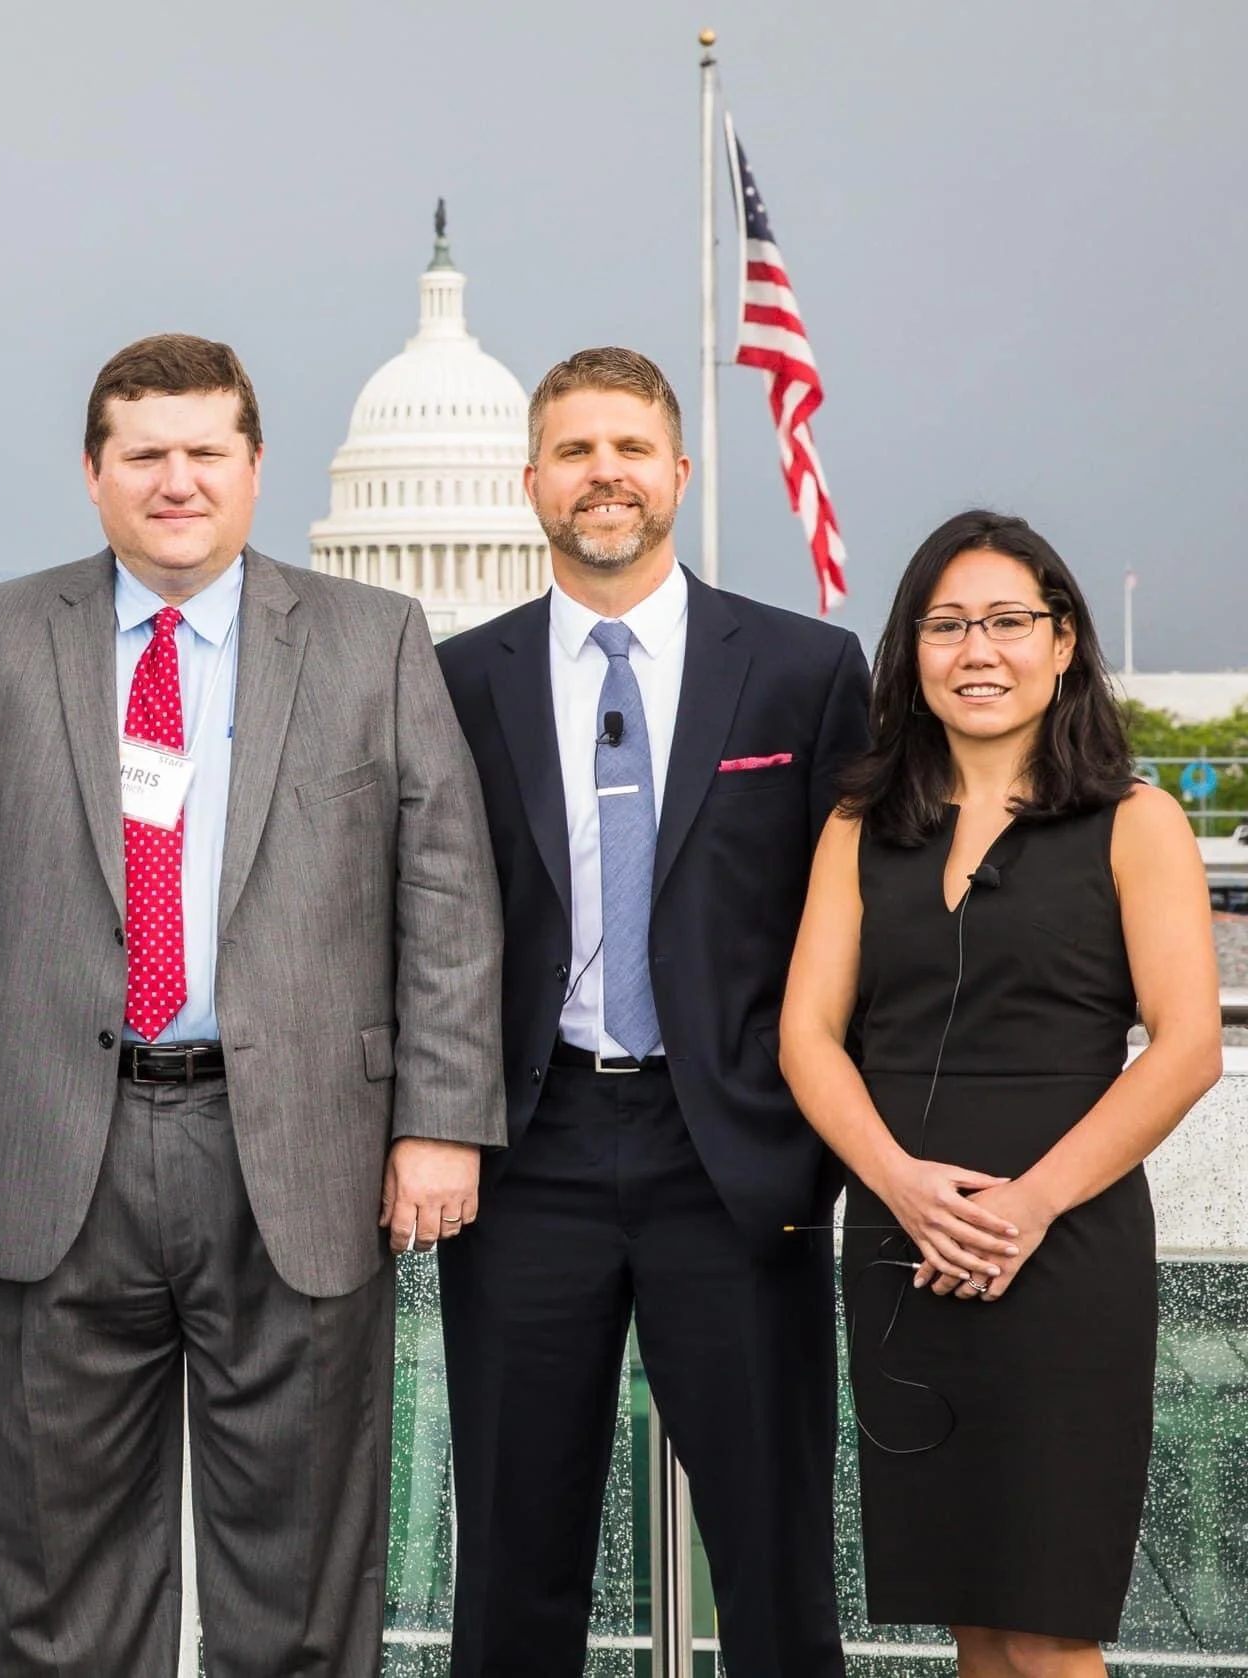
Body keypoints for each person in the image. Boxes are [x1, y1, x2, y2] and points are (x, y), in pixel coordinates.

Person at [0, 333, 504, 1676]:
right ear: (93, 473)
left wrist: (440, 1121)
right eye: (145, 455)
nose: (177, 481)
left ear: (255, 466)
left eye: (204, 452)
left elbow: (446, 894)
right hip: (55, 1147)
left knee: (300, 1590)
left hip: (302, 1151)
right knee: (63, 1589)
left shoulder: (372, 639)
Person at [435, 347, 869, 1677]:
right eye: (574, 450)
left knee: (773, 1563)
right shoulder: (457, 680)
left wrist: (815, 1146)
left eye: (629, 447)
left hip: (732, 1155)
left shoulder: (801, 669)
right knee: (511, 1566)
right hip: (529, 1155)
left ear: (677, 471)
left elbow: (858, 922)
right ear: (531, 481)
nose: (604, 473)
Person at [779, 512, 1220, 1673]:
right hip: (902, 1249)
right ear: (910, 653)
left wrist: (1023, 1207)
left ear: (1061, 642)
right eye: (946, 625)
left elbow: (1185, 1049)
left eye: (1007, 621)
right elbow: (806, 1038)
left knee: (1045, 1628)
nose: (976, 650)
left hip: (1063, 1260)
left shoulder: (1134, 821)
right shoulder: (857, 827)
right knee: (969, 1620)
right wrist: (899, 1187)